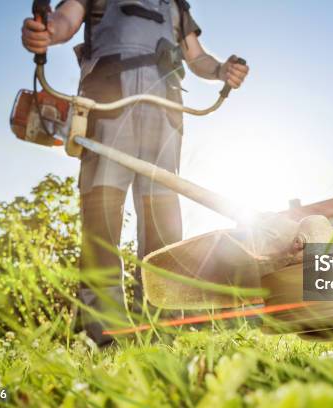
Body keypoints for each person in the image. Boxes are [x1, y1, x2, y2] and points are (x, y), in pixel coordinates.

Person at [21, 0, 249, 345]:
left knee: (164, 224)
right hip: (108, 101)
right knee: (102, 220)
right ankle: (104, 338)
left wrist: (221, 70)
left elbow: (196, 55)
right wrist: (47, 33)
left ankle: (164, 334)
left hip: (165, 107)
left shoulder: (175, 4)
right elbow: (64, 21)